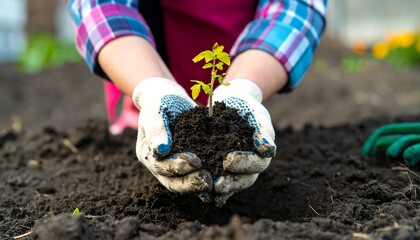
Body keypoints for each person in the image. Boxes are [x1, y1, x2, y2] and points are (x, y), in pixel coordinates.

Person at [65, 0, 327, 206]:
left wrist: (244, 88)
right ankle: (147, 110)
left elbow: (295, 9)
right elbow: (100, 5)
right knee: (151, 139)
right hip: (141, 60)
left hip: (244, 56)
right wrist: (153, 88)